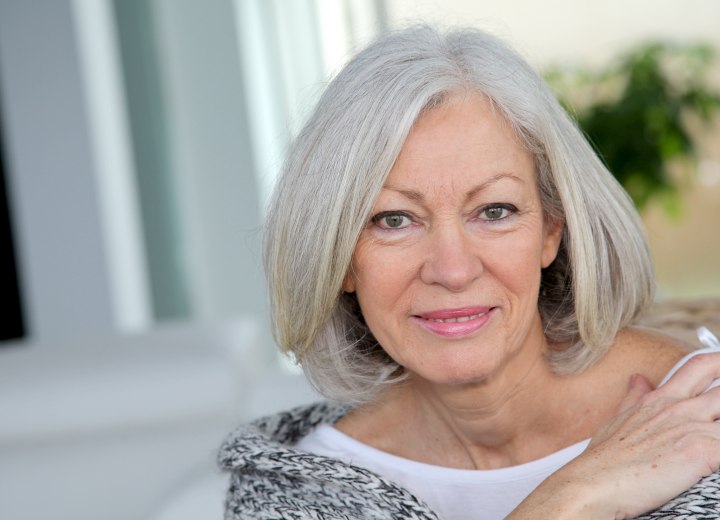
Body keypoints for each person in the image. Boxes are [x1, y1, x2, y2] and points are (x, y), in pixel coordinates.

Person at [219, 25, 720, 519]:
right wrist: (570, 496)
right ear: (339, 260)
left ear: (551, 231)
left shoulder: (702, 424)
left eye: (494, 211)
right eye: (394, 220)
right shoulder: (294, 494)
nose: (452, 271)